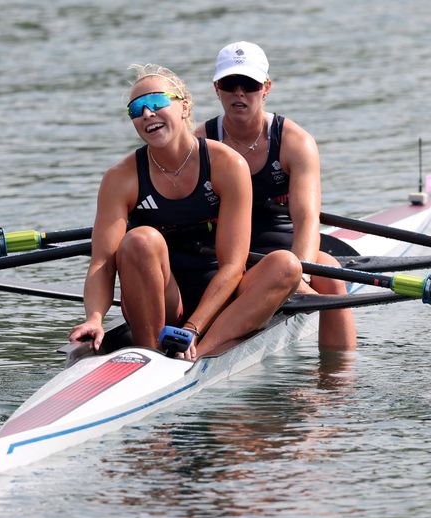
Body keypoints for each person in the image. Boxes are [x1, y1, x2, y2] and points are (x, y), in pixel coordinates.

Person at [69, 64, 302, 360]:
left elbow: (233, 265)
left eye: (156, 103)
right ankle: (150, 351)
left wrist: (194, 327)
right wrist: (95, 318)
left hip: (221, 294)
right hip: (164, 296)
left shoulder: (227, 165)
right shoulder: (120, 178)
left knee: (287, 265)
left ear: (184, 106)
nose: (147, 114)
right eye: (136, 109)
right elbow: (102, 262)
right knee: (140, 240)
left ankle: (198, 352)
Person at [195, 42, 357, 351]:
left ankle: (338, 379)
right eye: (230, 84)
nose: (239, 93)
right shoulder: (200, 143)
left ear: (266, 87)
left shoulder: (294, 141)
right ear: (217, 88)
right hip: (227, 256)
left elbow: (307, 218)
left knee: (333, 278)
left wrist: (302, 274)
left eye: (250, 85)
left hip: (285, 249)